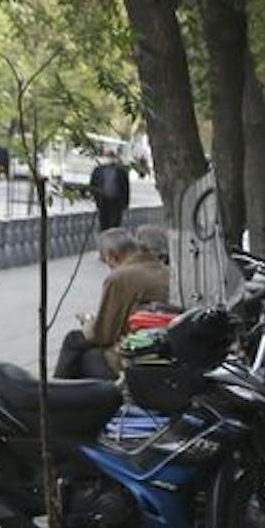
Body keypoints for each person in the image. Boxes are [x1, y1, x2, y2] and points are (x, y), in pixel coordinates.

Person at [56, 227, 170, 380]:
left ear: (112, 256)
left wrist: (87, 322)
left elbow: (102, 335)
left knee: (77, 345)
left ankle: (53, 393)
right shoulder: (162, 269)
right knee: (78, 345)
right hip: (157, 345)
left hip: (133, 354)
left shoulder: (119, 277)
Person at [88, 147, 131, 231]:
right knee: (104, 224)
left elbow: (125, 188)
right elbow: (92, 185)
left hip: (116, 201)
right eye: (106, 156)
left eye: (110, 156)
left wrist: (125, 203)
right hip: (103, 201)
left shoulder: (120, 171)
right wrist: (95, 197)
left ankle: (114, 241)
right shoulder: (98, 170)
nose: (108, 159)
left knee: (115, 224)